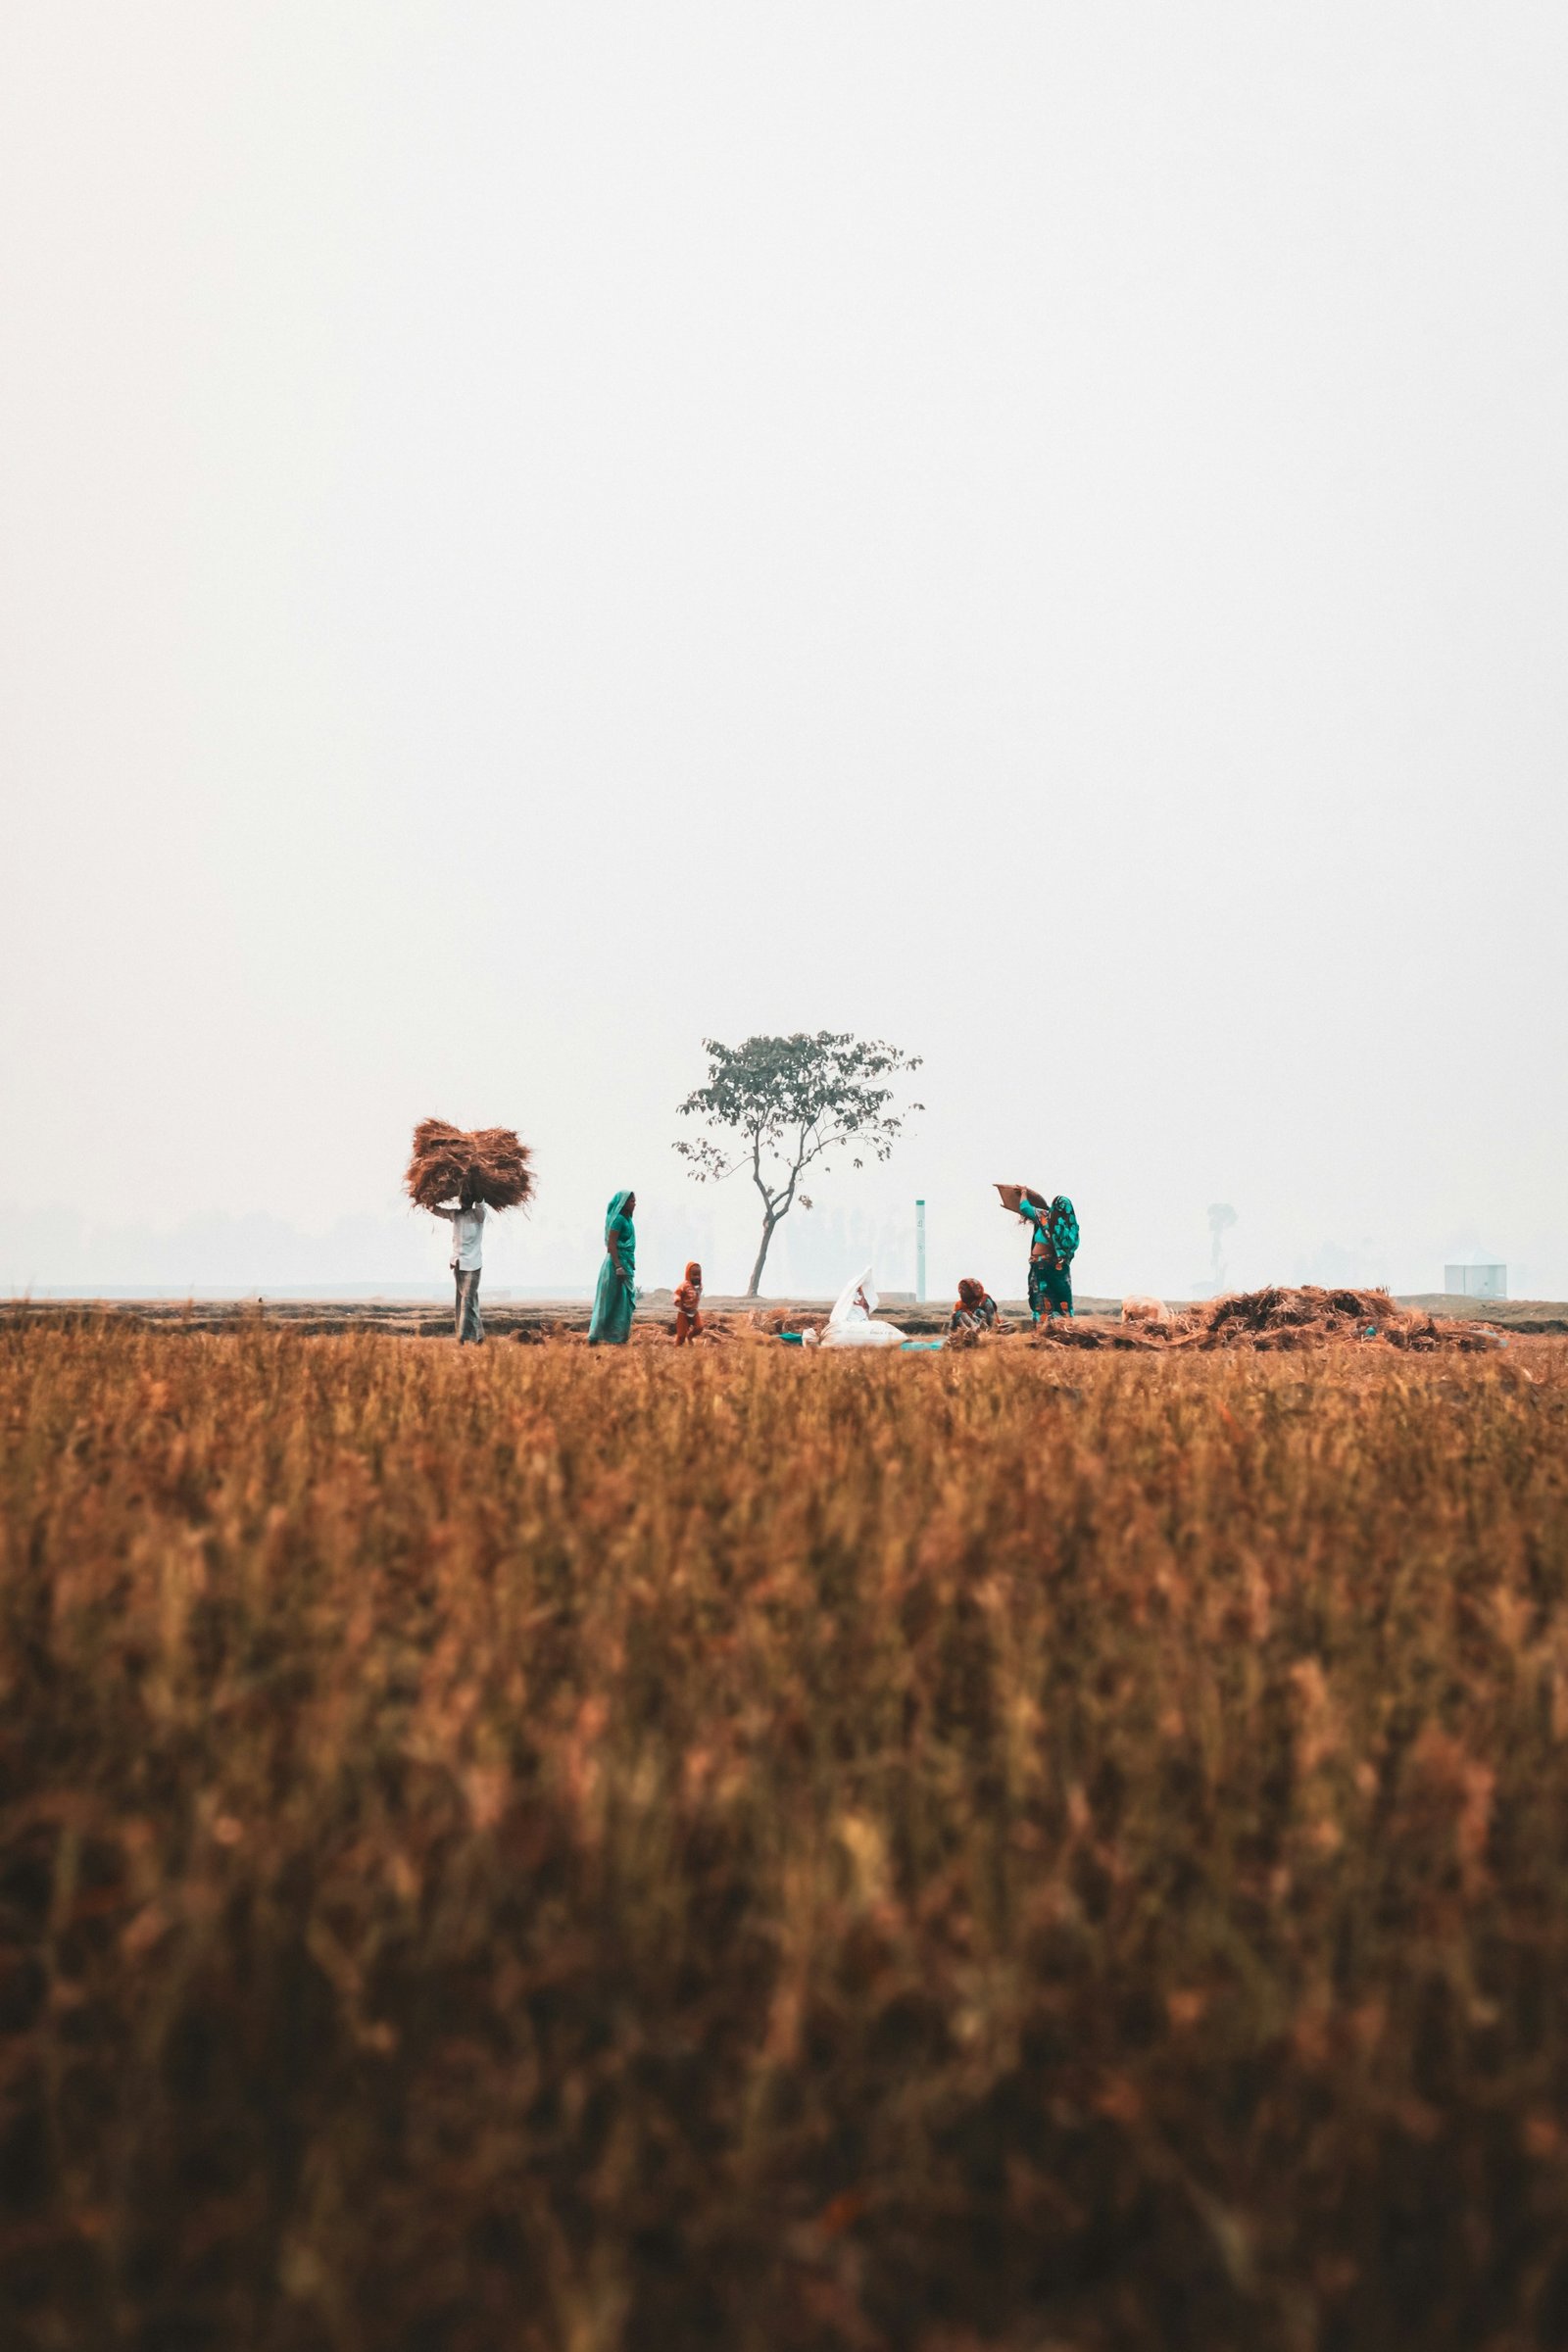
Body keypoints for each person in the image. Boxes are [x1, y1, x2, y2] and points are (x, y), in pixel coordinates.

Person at [429, 1175, 486, 1344]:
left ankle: (463, 1337)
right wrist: (426, 1200)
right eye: (464, 1196)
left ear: (472, 1199)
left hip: (473, 1265)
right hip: (458, 1264)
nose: (466, 1199)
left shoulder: (479, 1215)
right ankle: (480, 1336)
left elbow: (481, 1201)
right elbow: (437, 1211)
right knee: (468, 1300)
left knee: (467, 1299)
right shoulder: (456, 1215)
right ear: (460, 1199)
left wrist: (475, 1179)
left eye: (469, 1197)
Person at [1018, 1192, 1079, 1323]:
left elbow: (1024, 1208)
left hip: (1042, 1268)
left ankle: (1044, 1328)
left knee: (1042, 1299)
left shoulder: (1046, 1217)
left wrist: (1023, 1192)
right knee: (1060, 1299)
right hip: (1060, 1271)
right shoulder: (1072, 1229)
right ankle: (1064, 1327)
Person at [589, 1190, 637, 1346]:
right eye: (631, 1201)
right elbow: (612, 1245)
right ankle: (595, 1337)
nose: (634, 1204)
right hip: (616, 1265)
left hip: (626, 1264)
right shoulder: (618, 1220)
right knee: (608, 1301)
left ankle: (619, 1337)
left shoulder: (628, 1220)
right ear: (623, 1203)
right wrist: (618, 1266)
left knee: (623, 1302)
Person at [673, 1260, 704, 1345]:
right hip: (683, 1312)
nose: (697, 1277)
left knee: (699, 1327)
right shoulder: (684, 1285)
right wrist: (678, 1300)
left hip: (694, 1312)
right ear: (688, 1274)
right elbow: (677, 1293)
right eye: (694, 1275)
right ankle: (676, 1349)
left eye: (698, 1275)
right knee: (681, 1335)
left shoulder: (700, 1286)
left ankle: (690, 1336)